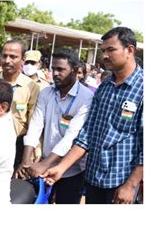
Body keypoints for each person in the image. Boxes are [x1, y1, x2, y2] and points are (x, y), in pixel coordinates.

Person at [43, 27, 143, 204]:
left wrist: (131, 185)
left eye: (110, 50)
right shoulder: (104, 87)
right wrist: (61, 168)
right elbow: (87, 135)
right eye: (103, 50)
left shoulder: (142, 89)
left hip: (121, 183)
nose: (104, 55)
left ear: (129, 50)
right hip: (93, 179)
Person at [15, 49, 94, 204]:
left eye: (61, 69)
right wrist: (25, 161)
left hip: (71, 170)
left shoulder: (87, 98)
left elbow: (72, 137)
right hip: (43, 167)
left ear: (75, 70)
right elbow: (36, 125)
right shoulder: (46, 93)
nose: (55, 73)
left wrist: (44, 164)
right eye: (53, 69)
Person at [0, 38, 41, 167]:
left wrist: (34, 153)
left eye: (13, 57)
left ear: (22, 61)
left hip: (16, 146)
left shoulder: (32, 87)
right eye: (4, 56)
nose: (7, 60)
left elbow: (34, 122)